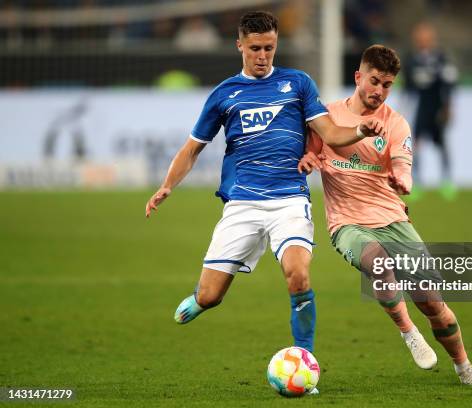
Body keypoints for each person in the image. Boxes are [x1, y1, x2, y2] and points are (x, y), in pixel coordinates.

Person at [145, 11, 384, 358]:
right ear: (239, 45)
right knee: (212, 295)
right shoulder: (224, 95)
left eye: (269, 48)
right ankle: (201, 299)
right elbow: (192, 148)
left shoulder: (298, 83)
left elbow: (330, 133)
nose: (262, 56)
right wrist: (167, 185)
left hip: (289, 199)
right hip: (242, 202)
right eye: (255, 48)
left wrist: (361, 129)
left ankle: (305, 359)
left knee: (298, 275)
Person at [298, 44, 472, 386]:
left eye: (387, 85)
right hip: (348, 224)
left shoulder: (396, 124)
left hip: (393, 220)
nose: (379, 91)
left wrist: (401, 180)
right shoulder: (327, 117)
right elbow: (312, 150)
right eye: (374, 81)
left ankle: (464, 367)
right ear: (359, 77)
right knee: (378, 264)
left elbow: (404, 169)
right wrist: (310, 160)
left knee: (432, 302)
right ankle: (408, 332)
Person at [404, 22, 458, 200]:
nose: (423, 41)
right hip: (421, 107)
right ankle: (417, 182)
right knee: (416, 145)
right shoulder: (412, 60)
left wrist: (448, 107)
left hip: (437, 107)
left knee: (441, 145)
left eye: (426, 37)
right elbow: (409, 86)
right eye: (420, 38)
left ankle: (447, 182)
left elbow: (449, 83)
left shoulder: (441, 58)